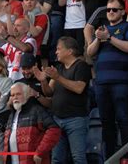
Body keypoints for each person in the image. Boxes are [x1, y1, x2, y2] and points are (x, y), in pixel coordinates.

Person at [87, 0, 128, 160]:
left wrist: (109, 38)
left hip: (121, 81)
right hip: (102, 82)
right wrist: (97, 37)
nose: (110, 12)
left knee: (123, 118)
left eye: (114, 10)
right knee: (105, 121)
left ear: (123, 11)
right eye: (108, 10)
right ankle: (110, 158)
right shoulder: (103, 29)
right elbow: (90, 52)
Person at [35, 36, 91, 164]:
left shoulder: (81, 66)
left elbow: (79, 88)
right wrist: (43, 80)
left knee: (78, 158)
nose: (56, 52)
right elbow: (49, 92)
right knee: (56, 159)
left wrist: (58, 77)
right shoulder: (59, 68)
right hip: (57, 119)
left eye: (59, 49)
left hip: (76, 119)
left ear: (70, 51)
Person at [4, 82, 61, 164]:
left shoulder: (36, 110)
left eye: (18, 94)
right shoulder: (11, 115)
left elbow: (54, 130)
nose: (15, 97)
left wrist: (40, 152)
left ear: (26, 95)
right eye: (12, 95)